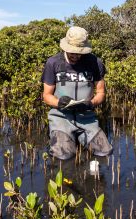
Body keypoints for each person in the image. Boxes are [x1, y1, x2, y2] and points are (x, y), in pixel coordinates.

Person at [41, 26, 113, 160]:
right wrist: (59, 103)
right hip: (61, 117)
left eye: (79, 52)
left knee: (105, 152)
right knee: (63, 156)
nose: (75, 55)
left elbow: (101, 92)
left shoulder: (95, 63)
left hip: (87, 117)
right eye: (72, 52)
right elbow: (46, 96)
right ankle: (63, 138)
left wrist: (91, 104)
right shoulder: (53, 62)